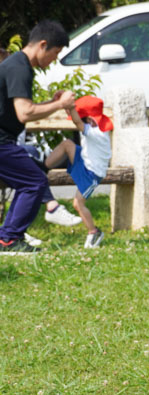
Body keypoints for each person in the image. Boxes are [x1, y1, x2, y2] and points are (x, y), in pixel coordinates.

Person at [0, 20, 74, 254]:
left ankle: (8, 237)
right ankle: (9, 239)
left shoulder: (17, 64)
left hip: (4, 142)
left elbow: (23, 108)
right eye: (55, 53)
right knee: (34, 182)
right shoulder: (19, 67)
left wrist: (53, 104)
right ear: (43, 45)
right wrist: (61, 104)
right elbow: (25, 113)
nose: (54, 60)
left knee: (34, 175)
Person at [42, 95, 114, 248]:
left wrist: (72, 108)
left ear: (90, 120)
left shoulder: (97, 133)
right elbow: (75, 119)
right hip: (85, 160)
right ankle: (42, 168)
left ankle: (94, 232)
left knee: (78, 204)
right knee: (68, 144)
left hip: (92, 174)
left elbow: (76, 122)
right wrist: (66, 104)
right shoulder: (96, 127)